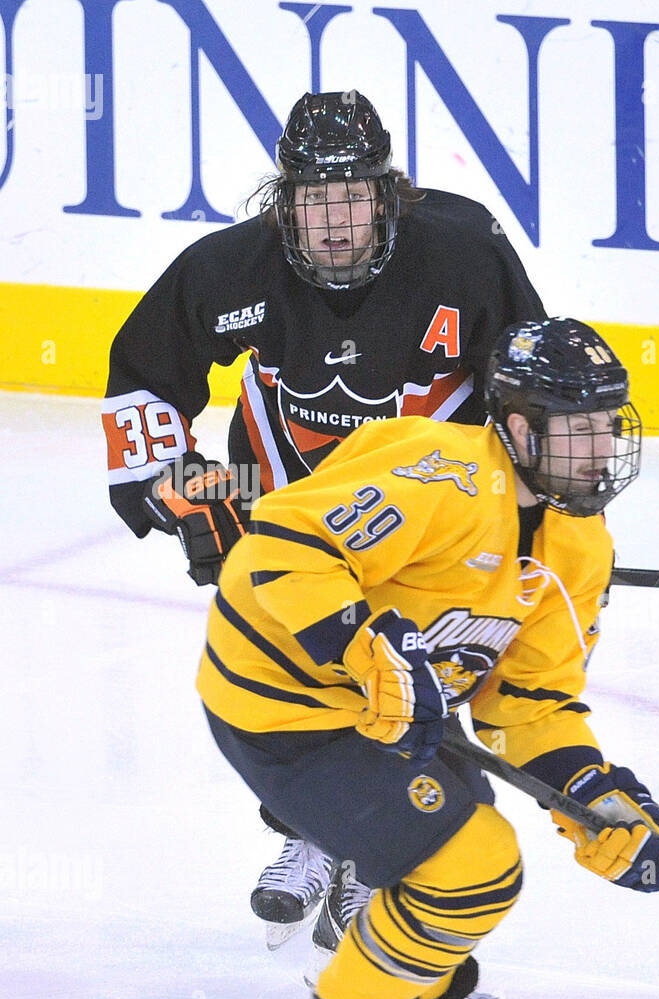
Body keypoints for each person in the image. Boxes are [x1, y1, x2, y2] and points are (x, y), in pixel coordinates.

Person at [197, 317, 659, 999]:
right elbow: (281, 546)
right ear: (520, 429)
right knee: (471, 864)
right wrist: (362, 644)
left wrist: (593, 795)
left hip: (383, 712)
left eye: (609, 425)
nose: (602, 448)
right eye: (581, 429)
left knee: (458, 834)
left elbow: (530, 701)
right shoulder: (440, 473)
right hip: (281, 703)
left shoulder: (580, 546)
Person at [102, 90, 547, 946]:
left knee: (405, 680)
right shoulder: (230, 270)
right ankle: (317, 830)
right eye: (315, 199)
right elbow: (145, 377)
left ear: (389, 196)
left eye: (354, 197)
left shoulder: (462, 252)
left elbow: (528, 380)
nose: (336, 222)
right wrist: (174, 480)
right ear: (285, 201)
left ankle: (378, 856)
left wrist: (526, 519)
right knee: (293, 674)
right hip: (290, 523)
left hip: (423, 532)